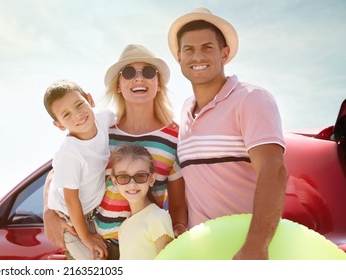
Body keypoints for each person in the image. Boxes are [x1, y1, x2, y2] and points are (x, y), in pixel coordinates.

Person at [43, 44, 187, 259]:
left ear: (158, 84)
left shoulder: (175, 137)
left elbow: (178, 202)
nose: (139, 78)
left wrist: (179, 230)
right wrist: (48, 212)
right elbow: (57, 171)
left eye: (148, 72)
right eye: (129, 73)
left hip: (143, 248)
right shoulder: (101, 130)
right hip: (100, 245)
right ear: (118, 85)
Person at [167, 7, 287, 259]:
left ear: (225, 53)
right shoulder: (185, 110)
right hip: (203, 249)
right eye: (188, 49)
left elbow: (273, 170)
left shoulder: (252, 99)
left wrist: (256, 245)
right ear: (179, 56)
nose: (197, 56)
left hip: (246, 248)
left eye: (207, 47)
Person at [43, 79, 116, 260]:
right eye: (66, 115)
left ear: (89, 99)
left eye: (79, 104)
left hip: (95, 214)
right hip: (70, 221)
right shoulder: (70, 154)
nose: (77, 115)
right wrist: (86, 238)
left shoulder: (103, 118)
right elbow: (71, 199)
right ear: (59, 125)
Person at [110, 144, 174, 259]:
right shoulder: (124, 226)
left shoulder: (158, 218)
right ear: (115, 182)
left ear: (151, 179)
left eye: (140, 176)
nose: (132, 184)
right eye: (124, 177)